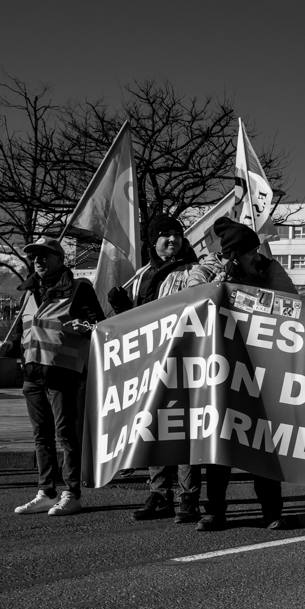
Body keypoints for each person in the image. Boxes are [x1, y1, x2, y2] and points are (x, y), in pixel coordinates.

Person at [185, 217, 297, 532]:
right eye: (250, 252)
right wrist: (222, 282)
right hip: (220, 368)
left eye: (256, 250)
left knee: (262, 438)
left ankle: (272, 511)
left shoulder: (267, 268)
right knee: (219, 441)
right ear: (233, 254)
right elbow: (192, 301)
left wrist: (260, 279)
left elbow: (293, 304)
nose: (256, 256)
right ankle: (214, 512)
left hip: (261, 367)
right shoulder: (206, 269)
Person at [0, 237, 104, 516]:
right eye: (35, 257)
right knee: (41, 437)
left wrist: (84, 326)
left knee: (67, 436)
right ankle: (46, 492)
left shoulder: (79, 288)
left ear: (60, 259)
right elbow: (23, 336)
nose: (38, 260)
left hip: (63, 374)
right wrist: (8, 348)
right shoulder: (28, 294)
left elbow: (99, 326)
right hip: (32, 376)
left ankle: (72, 493)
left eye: (45, 255)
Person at [107, 214, 203, 523]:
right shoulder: (142, 275)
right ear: (153, 241)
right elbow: (139, 320)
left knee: (184, 429)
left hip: (183, 360)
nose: (173, 239)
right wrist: (122, 308)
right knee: (152, 426)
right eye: (165, 234)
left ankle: (189, 497)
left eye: (177, 233)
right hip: (148, 364)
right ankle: (160, 494)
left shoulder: (193, 271)